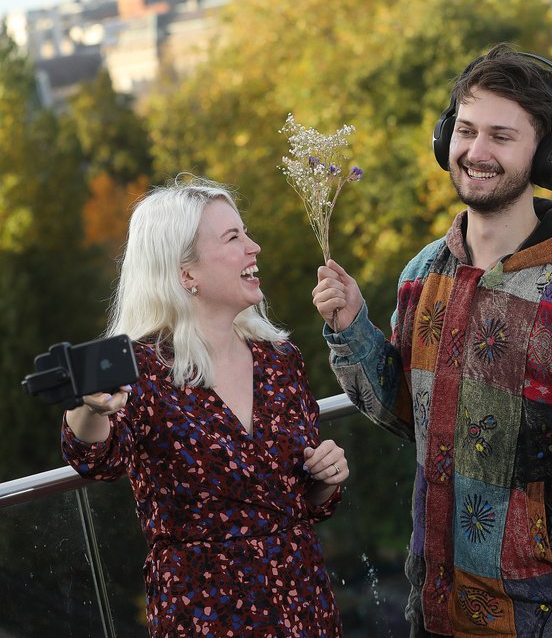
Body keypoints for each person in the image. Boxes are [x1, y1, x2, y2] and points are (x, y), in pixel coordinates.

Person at [311, 45, 552, 638]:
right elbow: (409, 416)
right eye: (467, 131)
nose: (476, 152)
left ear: (548, 157)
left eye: (502, 136)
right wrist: (352, 330)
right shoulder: (423, 275)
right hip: (439, 609)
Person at [61, 178, 346, 636]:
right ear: (185, 274)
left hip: (304, 603)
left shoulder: (280, 360)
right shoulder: (140, 369)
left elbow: (304, 501)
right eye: (233, 238)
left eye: (245, 233)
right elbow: (96, 459)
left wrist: (326, 478)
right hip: (208, 613)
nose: (254, 247)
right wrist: (91, 407)